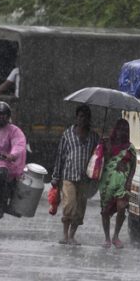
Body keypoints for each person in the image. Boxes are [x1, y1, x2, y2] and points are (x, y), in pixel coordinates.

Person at [51, 104, 100, 245]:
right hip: (69, 176)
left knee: (80, 209)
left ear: (89, 119)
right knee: (69, 205)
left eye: (85, 117)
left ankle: (72, 235)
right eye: (80, 117)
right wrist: (56, 176)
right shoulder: (67, 134)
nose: (82, 120)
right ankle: (65, 235)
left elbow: (98, 157)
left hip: (85, 178)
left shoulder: (93, 137)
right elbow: (60, 155)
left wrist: (103, 145)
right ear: (76, 118)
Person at [97, 118, 136, 249]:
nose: (121, 132)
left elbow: (133, 165)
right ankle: (107, 237)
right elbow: (103, 159)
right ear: (115, 130)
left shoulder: (130, 148)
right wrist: (103, 145)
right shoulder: (108, 143)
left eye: (124, 130)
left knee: (122, 207)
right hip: (107, 182)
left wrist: (129, 179)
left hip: (122, 184)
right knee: (105, 211)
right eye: (119, 129)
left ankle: (116, 236)